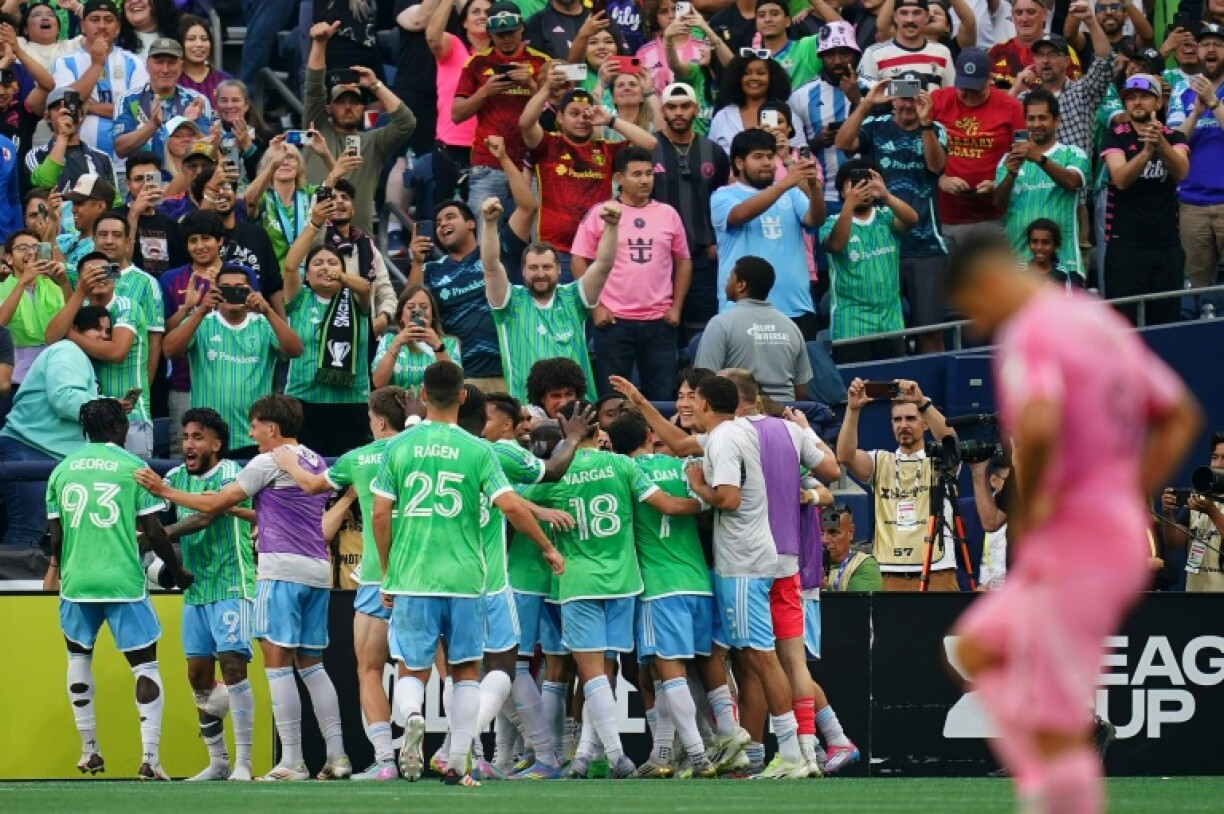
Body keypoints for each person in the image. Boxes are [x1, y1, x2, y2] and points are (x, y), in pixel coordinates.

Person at [946, 234, 1200, 814]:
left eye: (975, 310)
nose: (982, 326)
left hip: (1073, 542)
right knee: (980, 650)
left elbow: (1035, 425)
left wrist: (1034, 516)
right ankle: (1050, 786)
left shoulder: (1030, 333)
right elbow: (1179, 416)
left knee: (1049, 711)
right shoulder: (1096, 321)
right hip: (1102, 535)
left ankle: (1056, 792)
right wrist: (1125, 497)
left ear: (986, 283)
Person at [136, 393, 354, 782]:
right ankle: (337, 756)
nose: (251, 433)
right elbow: (279, 510)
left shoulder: (266, 461)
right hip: (317, 570)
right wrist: (239, 510)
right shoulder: (314, 459)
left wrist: (164, 491)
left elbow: (216, 502)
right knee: (313, 666)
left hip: (280, 571)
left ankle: (292, 762)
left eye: (254, 426)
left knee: (277, 668)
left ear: (272, 428)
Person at [371, 361, 563, 786]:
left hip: (413, 576)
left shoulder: (398, 448)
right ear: (462, 396)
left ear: (422, 394)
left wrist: (388, 571)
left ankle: (415, 717)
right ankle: (458, 761)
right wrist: (547, 546)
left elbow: (381, 514)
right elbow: (512, 505)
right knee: (464, 672)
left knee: (411, 670)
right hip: (467, 579)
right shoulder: (478, 450)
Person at [540, 399, 701, 779]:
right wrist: (709, 504)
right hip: (624, 581)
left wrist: (543, 513)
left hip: (577, 580)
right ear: (602, 432)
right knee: (607, 672)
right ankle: (587, 754)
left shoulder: (556, 474)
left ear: (569, 433)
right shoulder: (623, 465)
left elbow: (511, 501)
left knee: (592, 675)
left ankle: (614, 757)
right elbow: (664, 504)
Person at [268, 387, 413, 781]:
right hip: (426, 574)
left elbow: (312, 486)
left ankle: (385, 761)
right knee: (430, 667)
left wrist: (286, 459)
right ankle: (444, 742)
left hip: (375, 576)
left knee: (369, 669)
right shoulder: (421, 450)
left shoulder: (360, 458)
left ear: (380, 421)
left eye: (370, 417)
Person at [43, 398, 192, 780]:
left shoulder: (61, 471)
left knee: (79, 660)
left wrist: (57, 570)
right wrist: (176, 570)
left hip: (77, 582)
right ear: (116, 429)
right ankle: (150, 758)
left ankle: (89, 750)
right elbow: (155, 531)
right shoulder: (133, 469)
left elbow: (55, 537)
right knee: (144, 665)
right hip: (123, 581)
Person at [681, 375, 808, 779]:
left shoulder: (722, 439)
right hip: (753, 554)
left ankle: (790, 753)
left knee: (760, 656)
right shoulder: (737, 431)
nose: (690, 405)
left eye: (693, 398)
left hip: (744, 561)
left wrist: (698, 484)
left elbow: (729, 498)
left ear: (704, 403)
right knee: (755, 656)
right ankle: (787, 750)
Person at [159, 408, 256, 781]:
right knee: (198, 676)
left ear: (216, 444)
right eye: (186, 436)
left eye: (198, 437)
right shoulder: (175, 476)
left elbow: (204, 517)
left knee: (232, 665)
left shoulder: (234, 476)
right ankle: (218, 762)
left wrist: (160, 537)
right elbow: (154, 518)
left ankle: (244, 763)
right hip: (196, 588)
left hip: (233, 582)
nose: (188, 443)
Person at [836, 76, 949, 354]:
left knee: (930, 331)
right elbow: (843, 143)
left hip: (925, 245)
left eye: (913, 97)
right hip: (881, 243)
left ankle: (930, 396)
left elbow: (936, 167)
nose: (907, 104)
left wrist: (925, 123)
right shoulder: (875, 126)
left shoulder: (936, 129)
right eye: (901, 97)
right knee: (885, 330)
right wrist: (865, 104)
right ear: (892, 99)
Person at [571, 146, 689, 400]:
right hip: (614, 322)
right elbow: (579, 259)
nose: (645, 180)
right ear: (619, 178)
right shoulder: (602, 213)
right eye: (636, 174)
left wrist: (676, 306)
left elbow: (683, 262)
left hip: (660, 321)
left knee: (662, 398)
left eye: (649, 173)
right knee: (612, 399)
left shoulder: (668, 214)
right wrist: (596, 307)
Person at [481, 197, 621, 402]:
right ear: (523, 271)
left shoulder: (574, 297)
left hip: (578, 410)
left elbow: (603, 265)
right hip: (528, 413)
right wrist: (490, 223)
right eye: (533, 268)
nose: (540, 274)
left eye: (546, 267)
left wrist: (611, 226)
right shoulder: (509, 301)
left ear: (558, 269)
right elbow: (491, 265)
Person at [161, 265, 303, 459]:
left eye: (240, 288)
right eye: (226, 288)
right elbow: (169, 350)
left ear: (252, 292)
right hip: (208, 439)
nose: (233, 293)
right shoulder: (203, 322)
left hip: (254, 439)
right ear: (216, 292)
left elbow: (295, 350)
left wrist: (268, 311)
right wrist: (201, 310)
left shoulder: (263, 324)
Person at [835, 376, 961, 591]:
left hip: (936, 569)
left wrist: (922, 402)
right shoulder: (880, 461)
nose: (903, 425)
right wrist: (853, 410)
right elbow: (845, 456)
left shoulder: (940, 459)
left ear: (925, 423)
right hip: (889, 571)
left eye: (911, 418)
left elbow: (951, 442)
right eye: (897, 420)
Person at [522, 83, 656, 279]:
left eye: (586, 114)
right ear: (560, 117)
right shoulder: (548, 144)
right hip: (557, 252)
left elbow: (649, 144)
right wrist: (546, 89)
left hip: (598, 252)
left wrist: (610, 120)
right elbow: (525, 123)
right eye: (573, 113)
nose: (581, 120)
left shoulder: (606, 150)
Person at [0, 306, 104, 547]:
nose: (103, 336)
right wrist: (105, 410)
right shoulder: (67, 350)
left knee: (39, 536)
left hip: (42, 453)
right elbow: (65, 399)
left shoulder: (77, 357)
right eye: (96, 329)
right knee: (27, 534)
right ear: (74, 330)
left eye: (107, 331)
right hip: (29, 449)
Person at [302, 22, 416, 234]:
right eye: (340, 101)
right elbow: (314, 87)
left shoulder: (373, 142)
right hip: (314, 239)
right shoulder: (316, 131)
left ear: (363, 107)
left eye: (354, 102)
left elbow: (406, 122)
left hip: (358, 240)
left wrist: (375, 85)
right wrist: (319, 44)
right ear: (328, 107)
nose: (347, 107)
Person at [281, 196, 373, 456]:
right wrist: (314, 224)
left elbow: (365, 287)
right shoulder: (300, 300)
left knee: (346, 478)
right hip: (303, 402)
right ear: (307, 274)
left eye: (332, 263)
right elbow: (289, 267)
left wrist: (342, 278)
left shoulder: (355, 299)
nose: (325, 268)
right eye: (317, 263)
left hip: (351, 403)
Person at [712, 128, 823, 337]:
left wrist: (814, 188)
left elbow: (815, 220)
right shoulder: (722, 196)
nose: (766, 162)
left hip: (796, 307)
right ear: (739, 162)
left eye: (770, 156)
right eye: (758, 157)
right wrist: (784, 184)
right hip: (742, 313)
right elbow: (739, 215)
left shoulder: (792, 193)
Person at [44, 253, 157, 457]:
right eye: (91, 273)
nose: (99, 277)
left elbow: (116, 352)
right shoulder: (82, 310)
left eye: (105, 271)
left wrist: (69, 334)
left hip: (131, 420)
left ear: (115, 277)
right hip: (93, 423)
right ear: (79, 280)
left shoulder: (127, 306)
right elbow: (51, 337)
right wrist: (78, 294)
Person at [1101, 74, 1189, 325]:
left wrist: (1160, 144)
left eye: (1144, 97)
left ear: (1158, 103)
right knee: (1124, 327)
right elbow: (1120, 179)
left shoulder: (1174, 137)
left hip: (1166, 246)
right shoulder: (1115, 135)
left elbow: (1181, 170)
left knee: (1166, 324)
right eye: (1131, 98)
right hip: (1125, 247)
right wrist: (1146, 152)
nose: (1137, 103)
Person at [453, 1, 550, 218]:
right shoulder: (476, 63)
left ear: (522, 28)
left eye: (511, 32)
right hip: (488, 162)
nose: (506, 39)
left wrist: (532, 86)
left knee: (529, 238)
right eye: (500, 33)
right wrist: (485, 92)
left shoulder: (541, 62)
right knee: (484, 232)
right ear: (489, 33)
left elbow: (557, 115)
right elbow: (456, 114)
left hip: (532, 164)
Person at [651, 82, 730, 335]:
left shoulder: (714, 152)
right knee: (662, 329)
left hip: (702, 256)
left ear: (696, 109)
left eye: (685, 106)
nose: (678, 113)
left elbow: (724, 200)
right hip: (657, 257)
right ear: (662, 111)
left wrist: (716, 242)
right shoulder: (648, 149)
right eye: (671, 107)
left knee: (700, 332)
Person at [406, 195, 508, 391]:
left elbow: (528, 209)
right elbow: (410, 308)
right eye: (438, 222)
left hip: (507, 369)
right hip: (461, 375)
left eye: (450, 217)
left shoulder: (493, 253)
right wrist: (418, 262)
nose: (443, 224)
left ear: (471, 223)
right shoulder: (431, 270)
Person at [820, 160, 918, 363]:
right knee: (858, 389)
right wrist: (849, 205)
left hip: (891, 323)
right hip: (851, 326)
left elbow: (912, 220)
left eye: (866, 182)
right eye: (853, 184)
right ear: (841, 190)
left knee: (893, 389)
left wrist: (885, 195)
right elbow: (836, 245)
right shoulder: (830, 222)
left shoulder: (886, 217)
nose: (860, 189)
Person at [930, 48, 1025, 250]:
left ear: (990, 79)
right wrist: (940, 179)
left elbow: (1022, 155)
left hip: (990, 215)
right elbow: (916, 147)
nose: (970, 96)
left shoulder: (1011, 107)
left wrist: (999, 183)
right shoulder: (938, 100)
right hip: (944, 215)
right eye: (964, 89)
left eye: (976, 89)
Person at [993, 89, 1089, 280]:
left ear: (1057, 120)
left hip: (1064, 265)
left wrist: (1038, 157)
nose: (1036, 124)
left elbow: (1072, 182)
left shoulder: (1073, 153)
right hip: (1019, 268)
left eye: (1042, 118)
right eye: (1031, 118)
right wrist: (1011, 175)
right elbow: (997, 201)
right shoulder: (1008, 158)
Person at [696, 255, 812, 401]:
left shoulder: (720, 324)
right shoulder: (791, 327)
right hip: (785, 417)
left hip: (739, 417)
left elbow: (704, 383)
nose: (726, 281)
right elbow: (800, 390)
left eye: (731, 277)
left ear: (741, 285)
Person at [52, 0, 149, 161]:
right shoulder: (64, 62)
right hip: (79, 162)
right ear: (83, 26)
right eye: (95, 19)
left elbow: (138, 112)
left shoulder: (135, 62)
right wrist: (97, 65)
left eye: (108, 20)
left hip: (126, 164)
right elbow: (68, 108)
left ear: (117, 27)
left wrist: (89, 106)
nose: (102, 25)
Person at [788, 22, 864, 217]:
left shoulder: (876, 89)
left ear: (855, 54)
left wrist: (858, 101)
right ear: (820, 56)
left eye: (844, 54)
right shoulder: (799, 96)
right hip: (825, 196)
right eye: (830, 54)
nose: (837, 61)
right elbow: (794, 152)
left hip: (870, 193)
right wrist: (816, 142)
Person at [422, 0, 490, 201]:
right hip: (451, 150)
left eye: (487, 12)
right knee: (448, 217)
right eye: (475, 12)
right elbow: (433, 37)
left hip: (490, 149)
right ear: (464, 22)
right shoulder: (454, 47)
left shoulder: (501, 56)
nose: (482, 16)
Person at [1175, 22, 1224, 290]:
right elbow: (1174, 144)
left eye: (1218, 44)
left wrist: (1214, 102)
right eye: (1206, 44)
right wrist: (1195, 112)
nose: (1211, 49)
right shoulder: (1182, 95)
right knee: (1198, 289)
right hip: (1192, 205)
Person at [315, 178, 396, 333]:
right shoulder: (316, 242)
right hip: (323, 331)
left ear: (353, 209)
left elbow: (386, 291)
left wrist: (382, 319)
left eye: (345, 198)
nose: (339, 202)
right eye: (332, 198)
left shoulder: (368, 246)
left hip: (364, 334)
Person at [112, 37, 213, 160]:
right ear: (147, 65)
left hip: (185, 176)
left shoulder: (196, 101)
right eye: (159, 62)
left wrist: (186, 123)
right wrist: (152, 125)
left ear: (181, 66)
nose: (165, 70)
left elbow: (208, 150)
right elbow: (120, 149)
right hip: (144, 176)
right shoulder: (128, 99)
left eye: (171, 63)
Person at [0, 229, 71, 387]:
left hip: (53, 372)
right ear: (9, 258)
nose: (30, 253)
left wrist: (65, 284)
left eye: (35, 248)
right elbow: (1, 323)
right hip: (15, 376)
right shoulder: (2, 287)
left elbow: (72, 319)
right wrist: (23, 282)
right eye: (23, 248)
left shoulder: (52, 285)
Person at [25, 86, 120, 202]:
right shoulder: (35, 155)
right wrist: (63, 136)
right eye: (57, 108)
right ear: (47, 117)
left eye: (71, 108)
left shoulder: (102, 158)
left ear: (80, 116)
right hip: (55, 218)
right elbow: (44, 184)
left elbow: (114, 202)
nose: (65, 113)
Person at [1161, 431, 1224, 593]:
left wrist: (1212, 511)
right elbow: (1174, 542)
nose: (1218, 464)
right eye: (1214, 457)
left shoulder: (1206, 505)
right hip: (1195, 595)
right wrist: (1168, 514)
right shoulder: (1198, 499)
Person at [372, 286, 462, 392]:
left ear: (433, 314)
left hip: (434, 407)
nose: (417, 311)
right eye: (410, 308)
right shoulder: (388, 341)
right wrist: (396, 343)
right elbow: (378, 383)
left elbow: (455, 385)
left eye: (424, 307)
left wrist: (437, 346)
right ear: (401, 316)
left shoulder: (449, 343)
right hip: (397, 407)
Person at [120, 151, 188, 279]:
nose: (145, 185)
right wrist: (134, 213)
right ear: (128, 185)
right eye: (139, 179)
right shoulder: (112, 218)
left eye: (151, 178)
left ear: (160, 181)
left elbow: (181, 269)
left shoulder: (172, 225)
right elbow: (114, 264)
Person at [858, 0, 956, 88]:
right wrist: (912, 89)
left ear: (926, 17)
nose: (910, 20)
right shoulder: (874, 53)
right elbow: (863, 92)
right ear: (895, 17)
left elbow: (951, 95)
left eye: (917, 13)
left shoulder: (942, 52)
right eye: (904, 13)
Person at [988, 0, 1082, 90]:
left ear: (1044, 14)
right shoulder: (995, 52)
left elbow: (1075, 93)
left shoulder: (1062, 50)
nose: (1024, 19)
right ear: (1012, 15)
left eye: (1031, 12)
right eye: (1019, 13)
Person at [708, 54, 792, 153]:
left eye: (761, 73)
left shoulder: (785, 113)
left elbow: (799, 153)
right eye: (747, 73)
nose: (754, 78)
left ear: (772, 78)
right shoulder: (722, 116)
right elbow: (711, 157)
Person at [821, 504, 884, 592]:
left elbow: (857, 605)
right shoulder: (806, 564)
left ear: (850, 532)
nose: (824, 540)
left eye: (833, 533)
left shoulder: (863, 565)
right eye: (821, 533)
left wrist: (824, 588)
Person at [176, 15, 230, 105]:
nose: (199, 44)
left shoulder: (224, 79)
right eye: (191, 39)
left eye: (204, 39)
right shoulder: (173, 80)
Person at [524, 356, 589, 419]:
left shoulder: (585, 413)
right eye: (556, 396)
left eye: (569, 394)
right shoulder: (530, 416)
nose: (563, 403)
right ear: (542, 398)